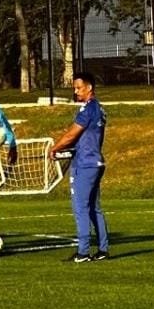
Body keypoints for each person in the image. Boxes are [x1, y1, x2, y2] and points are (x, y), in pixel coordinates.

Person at [51, 70, 109, 263]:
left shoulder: (87, 109)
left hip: (85, 164)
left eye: (79, 88)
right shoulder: (99, 108)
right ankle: (103, 249)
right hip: (95, 161)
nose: (76, 92)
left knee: (80, 208)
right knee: (94, 208)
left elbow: (72, 134)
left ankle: (83, 252)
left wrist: (55, 148)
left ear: (89, 88)